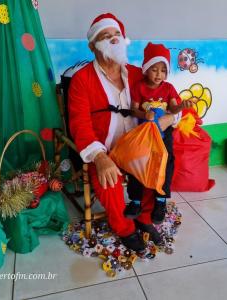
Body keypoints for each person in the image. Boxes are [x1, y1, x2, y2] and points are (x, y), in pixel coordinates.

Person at [68, 13, 180, 251]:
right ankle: (124, 229)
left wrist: (171, 117)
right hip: (105, 147)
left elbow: (171, 98)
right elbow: (79, 124)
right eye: (105, 36)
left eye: (117, 34)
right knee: (107, 177)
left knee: (159, 161)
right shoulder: (81, 80)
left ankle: (144, 218)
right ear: (92, 46)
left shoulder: (140, 74)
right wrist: (99, 157)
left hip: (138, 145)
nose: (113, 39)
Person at [124, 42, 189, 224]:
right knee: (137, 163)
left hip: (164, 134)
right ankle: (135, 201)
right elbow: (132, 110)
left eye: (163, 70)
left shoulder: (168, 88)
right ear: (146, 69)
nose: (159, 74)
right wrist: (145, 114)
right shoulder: (138, 87)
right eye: (154, 69)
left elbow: (174, 108)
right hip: (144, 133)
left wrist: (180, 107)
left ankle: (160, 201)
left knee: (166, 162)